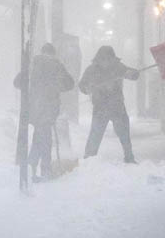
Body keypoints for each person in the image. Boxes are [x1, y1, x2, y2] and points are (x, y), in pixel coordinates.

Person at [14, 43, 74, 181]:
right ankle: (43, 169)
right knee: (45, 139)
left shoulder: (32, 64)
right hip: (49, 107)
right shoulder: (57, 65)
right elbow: (69, 84)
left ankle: (32, 167)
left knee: (40, 136)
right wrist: (54, 88)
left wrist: (32, 88)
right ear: (53, 53)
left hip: (33, 107)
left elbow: (17, 82)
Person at [79, 45, 139, 163]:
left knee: (124, 133)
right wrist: (88, 89)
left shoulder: (118, 67)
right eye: (103, 59)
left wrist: (131, 74)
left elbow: (134, 75)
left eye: (108, 59)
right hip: (100, 107)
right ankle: (89, 159)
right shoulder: (91, 70)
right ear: (98, 59)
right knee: (95, 133)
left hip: (117, 106)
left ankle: (129, 157)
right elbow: (82, 85)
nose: (106, 62)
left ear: (113, 58)